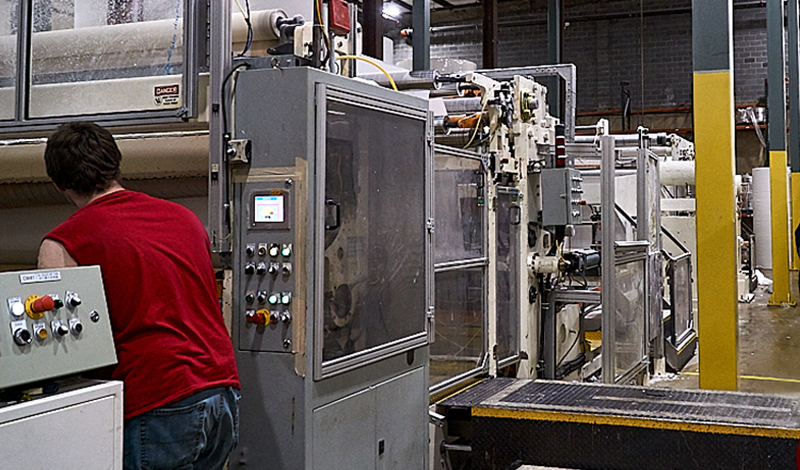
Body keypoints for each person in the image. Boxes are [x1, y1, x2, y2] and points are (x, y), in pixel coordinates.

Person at [38, 121, 240, 470]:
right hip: (221, 390)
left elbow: (56, 354)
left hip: (159, 399)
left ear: (58, 183)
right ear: (117, 164)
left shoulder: (63, 243)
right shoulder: (185, 218)